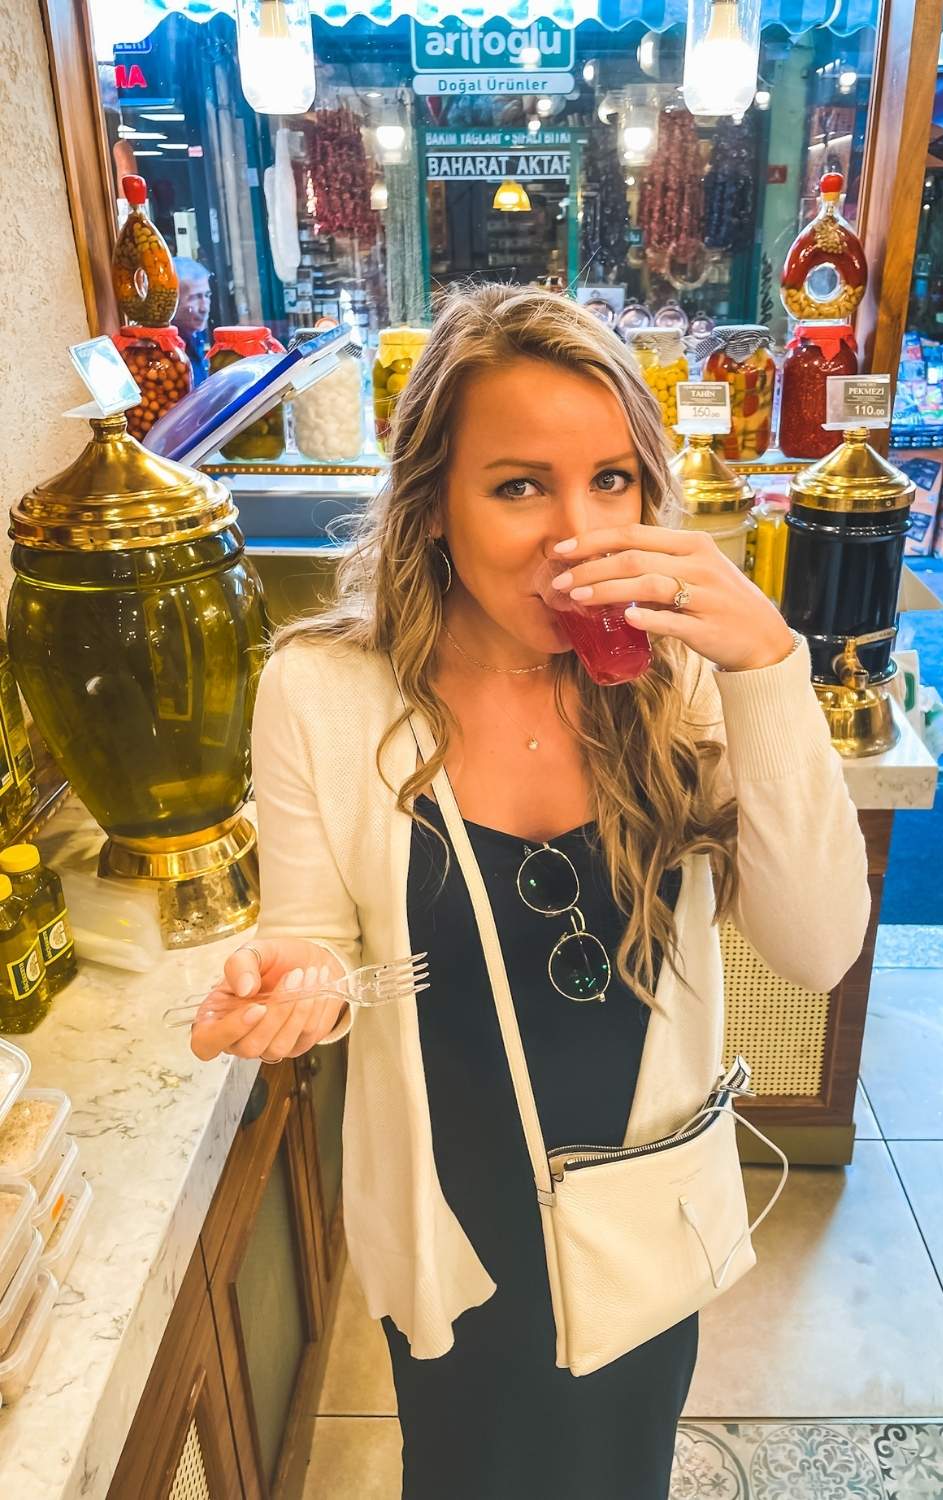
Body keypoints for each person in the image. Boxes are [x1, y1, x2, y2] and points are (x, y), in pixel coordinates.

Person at [190, 285, 871, 1498]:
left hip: (642, 1215)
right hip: (459, 1233)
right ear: (433, 508)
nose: (578, 532)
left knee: (620, 1472)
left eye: (611, 479)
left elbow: (815, 948)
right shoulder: (322, 691)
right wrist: (297, 985)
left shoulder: (675, 678)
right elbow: (319, 946)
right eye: (518, 486)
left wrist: (768, 670)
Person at [173, 257, 212, 384]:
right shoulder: (170, 351)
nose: (204, 307)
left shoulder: (196, 336)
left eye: (207, 296)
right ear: (173, 302)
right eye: (194, 298)